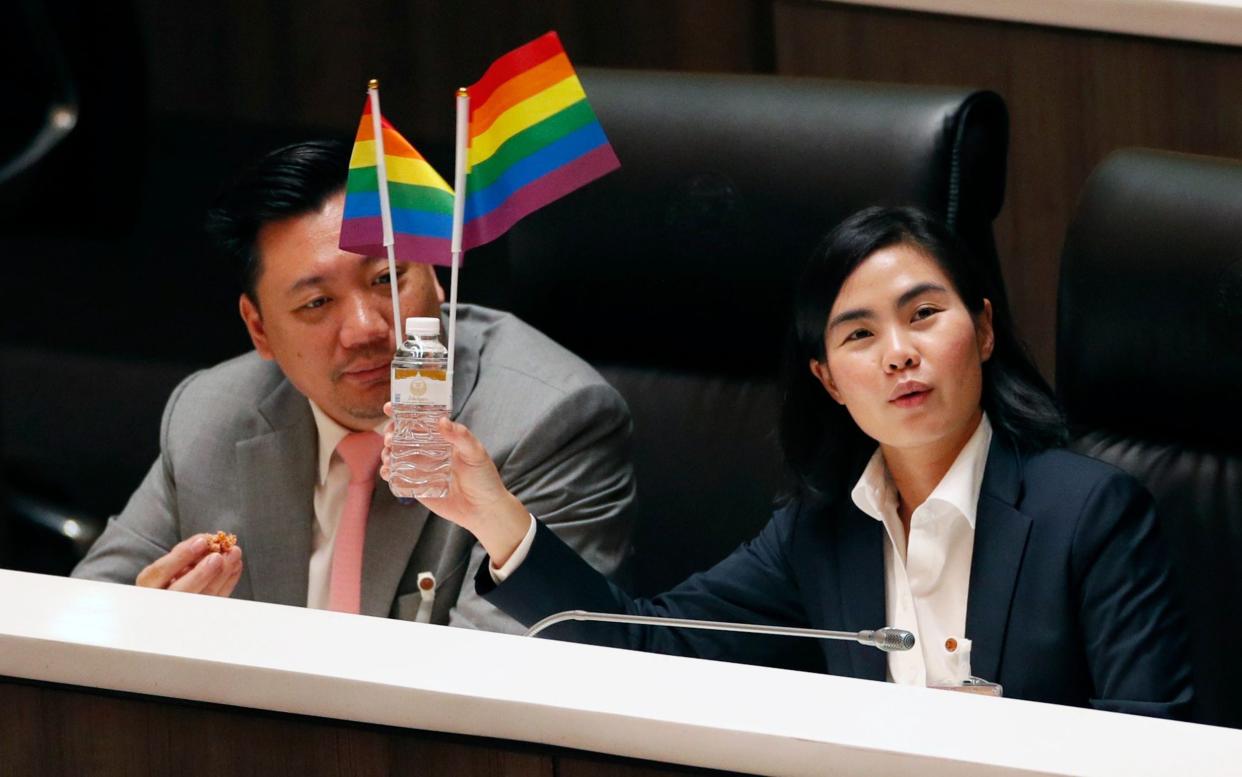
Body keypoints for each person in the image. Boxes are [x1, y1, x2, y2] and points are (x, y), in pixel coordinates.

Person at [389, 205, 1194, 717]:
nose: (899, 354)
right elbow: (646, 649)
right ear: (829, 380)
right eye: (859, 334)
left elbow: (1152, 745)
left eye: (925, 315)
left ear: (982, 330)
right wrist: (497, 515)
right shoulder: (821, 533)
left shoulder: (1092, 514)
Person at [72, 140, 635, 632]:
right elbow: (79, 619)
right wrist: (141, 627)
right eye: (317, 303)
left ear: (437, 278)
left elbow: (496, 687)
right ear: (259, 329)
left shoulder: (547, 421)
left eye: (388, 279)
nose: (367, 328)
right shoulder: (211, 414)